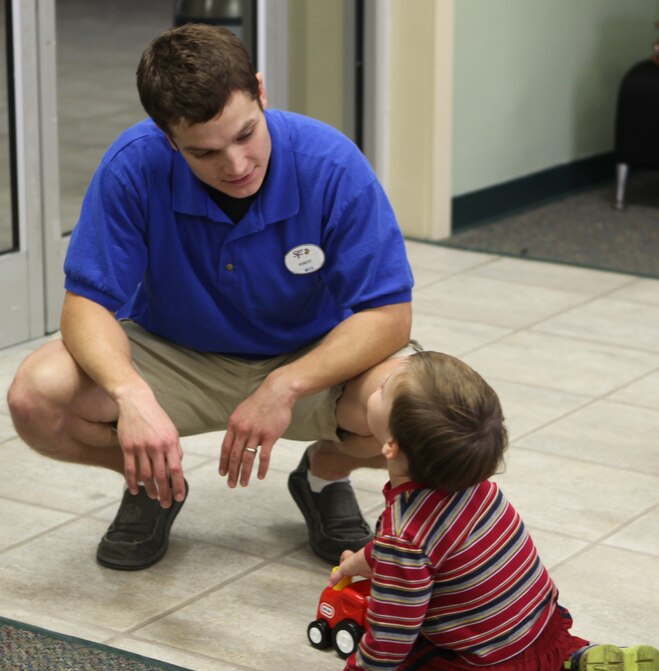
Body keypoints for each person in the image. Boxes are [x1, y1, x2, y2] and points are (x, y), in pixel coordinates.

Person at [6, 24, 417, 570]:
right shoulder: (133, 164)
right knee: (36, 396)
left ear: (261, 92)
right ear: (168, 138)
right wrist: (131, 397)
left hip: (309, 360)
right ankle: (151, 482)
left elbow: (390, 315)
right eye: (204, 152)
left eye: (247, 134)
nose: (236, 165)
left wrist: (286, 383)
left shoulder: (332, 165)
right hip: (175, 354)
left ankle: (325, 474)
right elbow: (85, 305)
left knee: (421, 406)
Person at [305, 351, 659, 671]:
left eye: (383, 389)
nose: (378, 384)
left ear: (389, 446)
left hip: (494, 668)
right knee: (531, 648)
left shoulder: (405, 537)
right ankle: (573, 664)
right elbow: (429, 550)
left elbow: (390, 637)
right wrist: (362, 560)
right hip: (547, 633)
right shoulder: (480, 490)